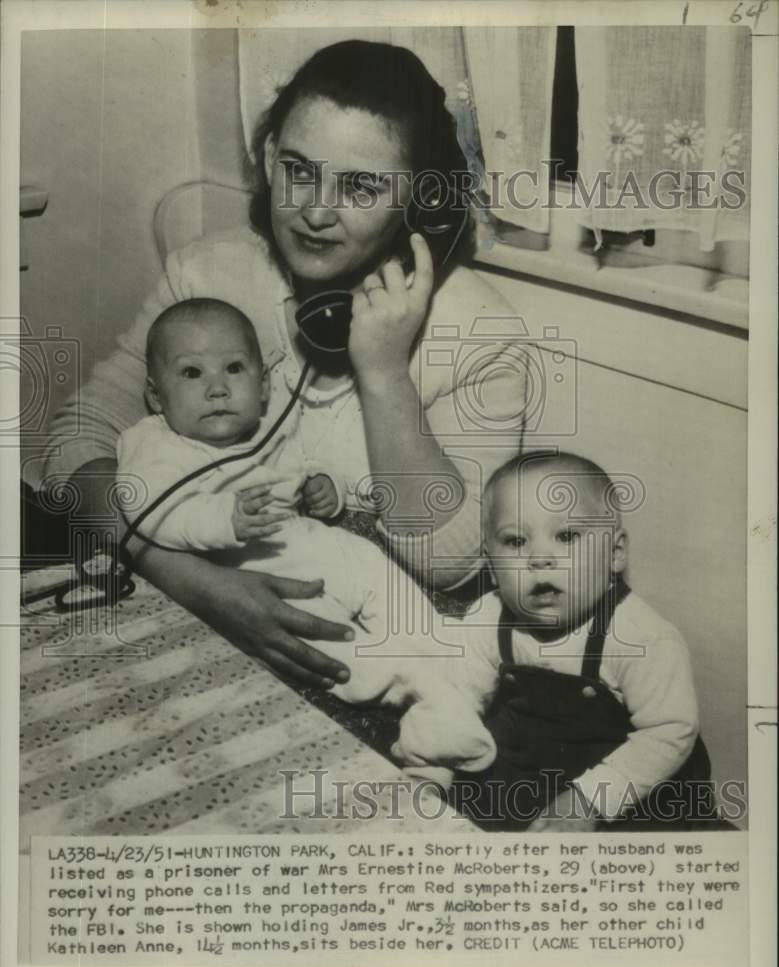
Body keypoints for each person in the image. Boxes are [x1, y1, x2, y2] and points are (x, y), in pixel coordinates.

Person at [41, 39, 528, 690]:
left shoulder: (482, 334)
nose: (315, 211)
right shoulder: (209, 272)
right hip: (207, 603)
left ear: (420, 200)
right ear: (270, 159)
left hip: (377, 650)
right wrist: (186, 577)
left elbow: (448, 564)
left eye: (359, 185)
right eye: (299, 169)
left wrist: (383, 371)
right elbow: (75, 444)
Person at [116, 297, 496, 778]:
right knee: (332, 641)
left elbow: (302, 465)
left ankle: (443, 649)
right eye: (191, 373)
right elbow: (145, 508)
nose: (216, 388)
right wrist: (221, 520)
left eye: (234, 368)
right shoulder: (153, 443)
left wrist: (326, 489)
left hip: (319, 546)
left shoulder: (265, 428)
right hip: (259, 576)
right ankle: (420, 696)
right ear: (155, 395)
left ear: (262, 386)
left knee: (376, 569)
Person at [445, 451, 714, 831]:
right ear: (490, 565)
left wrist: (589, 800)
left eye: (566, 536)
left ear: (615, 553)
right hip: (532, 760)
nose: (539, 558)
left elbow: (669, 733)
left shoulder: (642, 637)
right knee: (465, 802)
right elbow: (458, 698)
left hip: (632, 776)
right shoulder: (486, 617)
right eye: (516, 541)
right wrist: (438, 755)